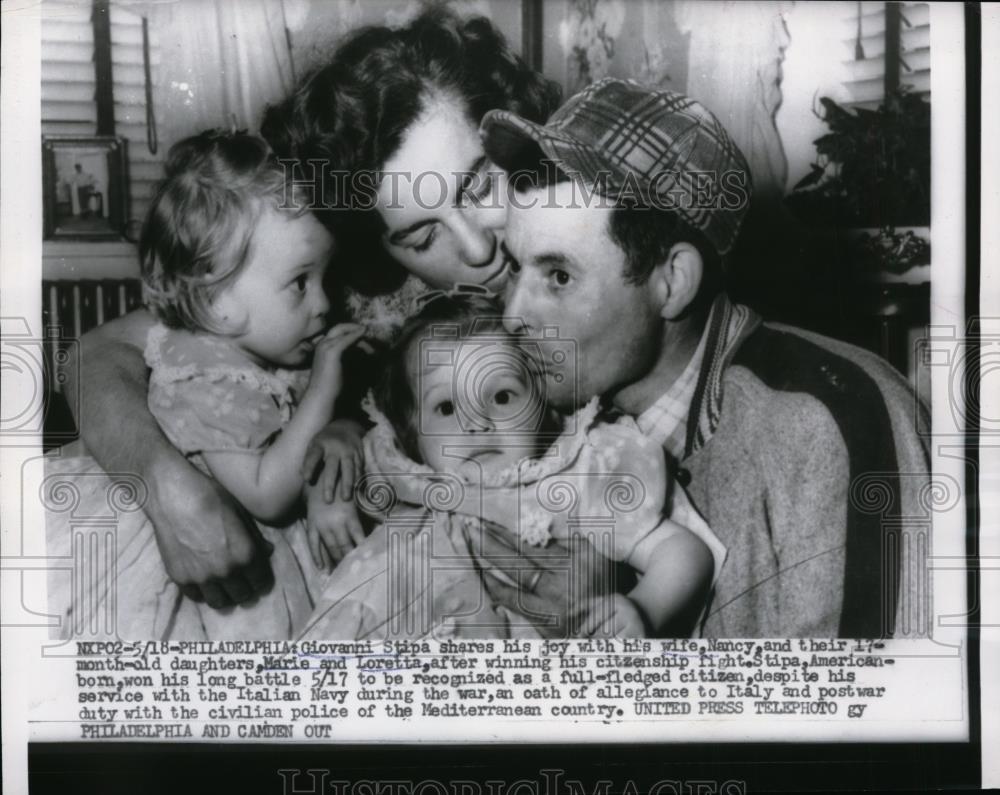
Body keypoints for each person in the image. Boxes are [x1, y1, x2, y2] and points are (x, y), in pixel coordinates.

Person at [64, 9, 590, 617]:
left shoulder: (593, 259)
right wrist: (162, 482)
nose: (477, 249)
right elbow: (98, 353)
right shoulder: (356, 300)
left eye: (478, 187)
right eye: (420, 238)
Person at [474, 78, 931, 638]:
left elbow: (869, 712)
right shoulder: (551, 414)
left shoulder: (831, 424)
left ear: (672, 282)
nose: (513, 314)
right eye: (517, 267)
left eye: (560, 276)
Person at [46, 130, 368, 638]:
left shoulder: (258, 355)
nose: (325, 303)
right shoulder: (204, 379)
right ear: (217, 300)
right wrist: (326, 388)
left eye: (326, 278)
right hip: (225, 583)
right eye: (300, 282)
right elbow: (267, 496)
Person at [299, 292, 725, 640]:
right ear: (411, 436)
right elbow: (340, 463)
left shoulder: (574, 475)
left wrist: (644, 610)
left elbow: (685, 552)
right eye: (446, 407)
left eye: (502, 396)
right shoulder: (402, 475)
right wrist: (334, 454)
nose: (476, 423)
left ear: (543, 407)